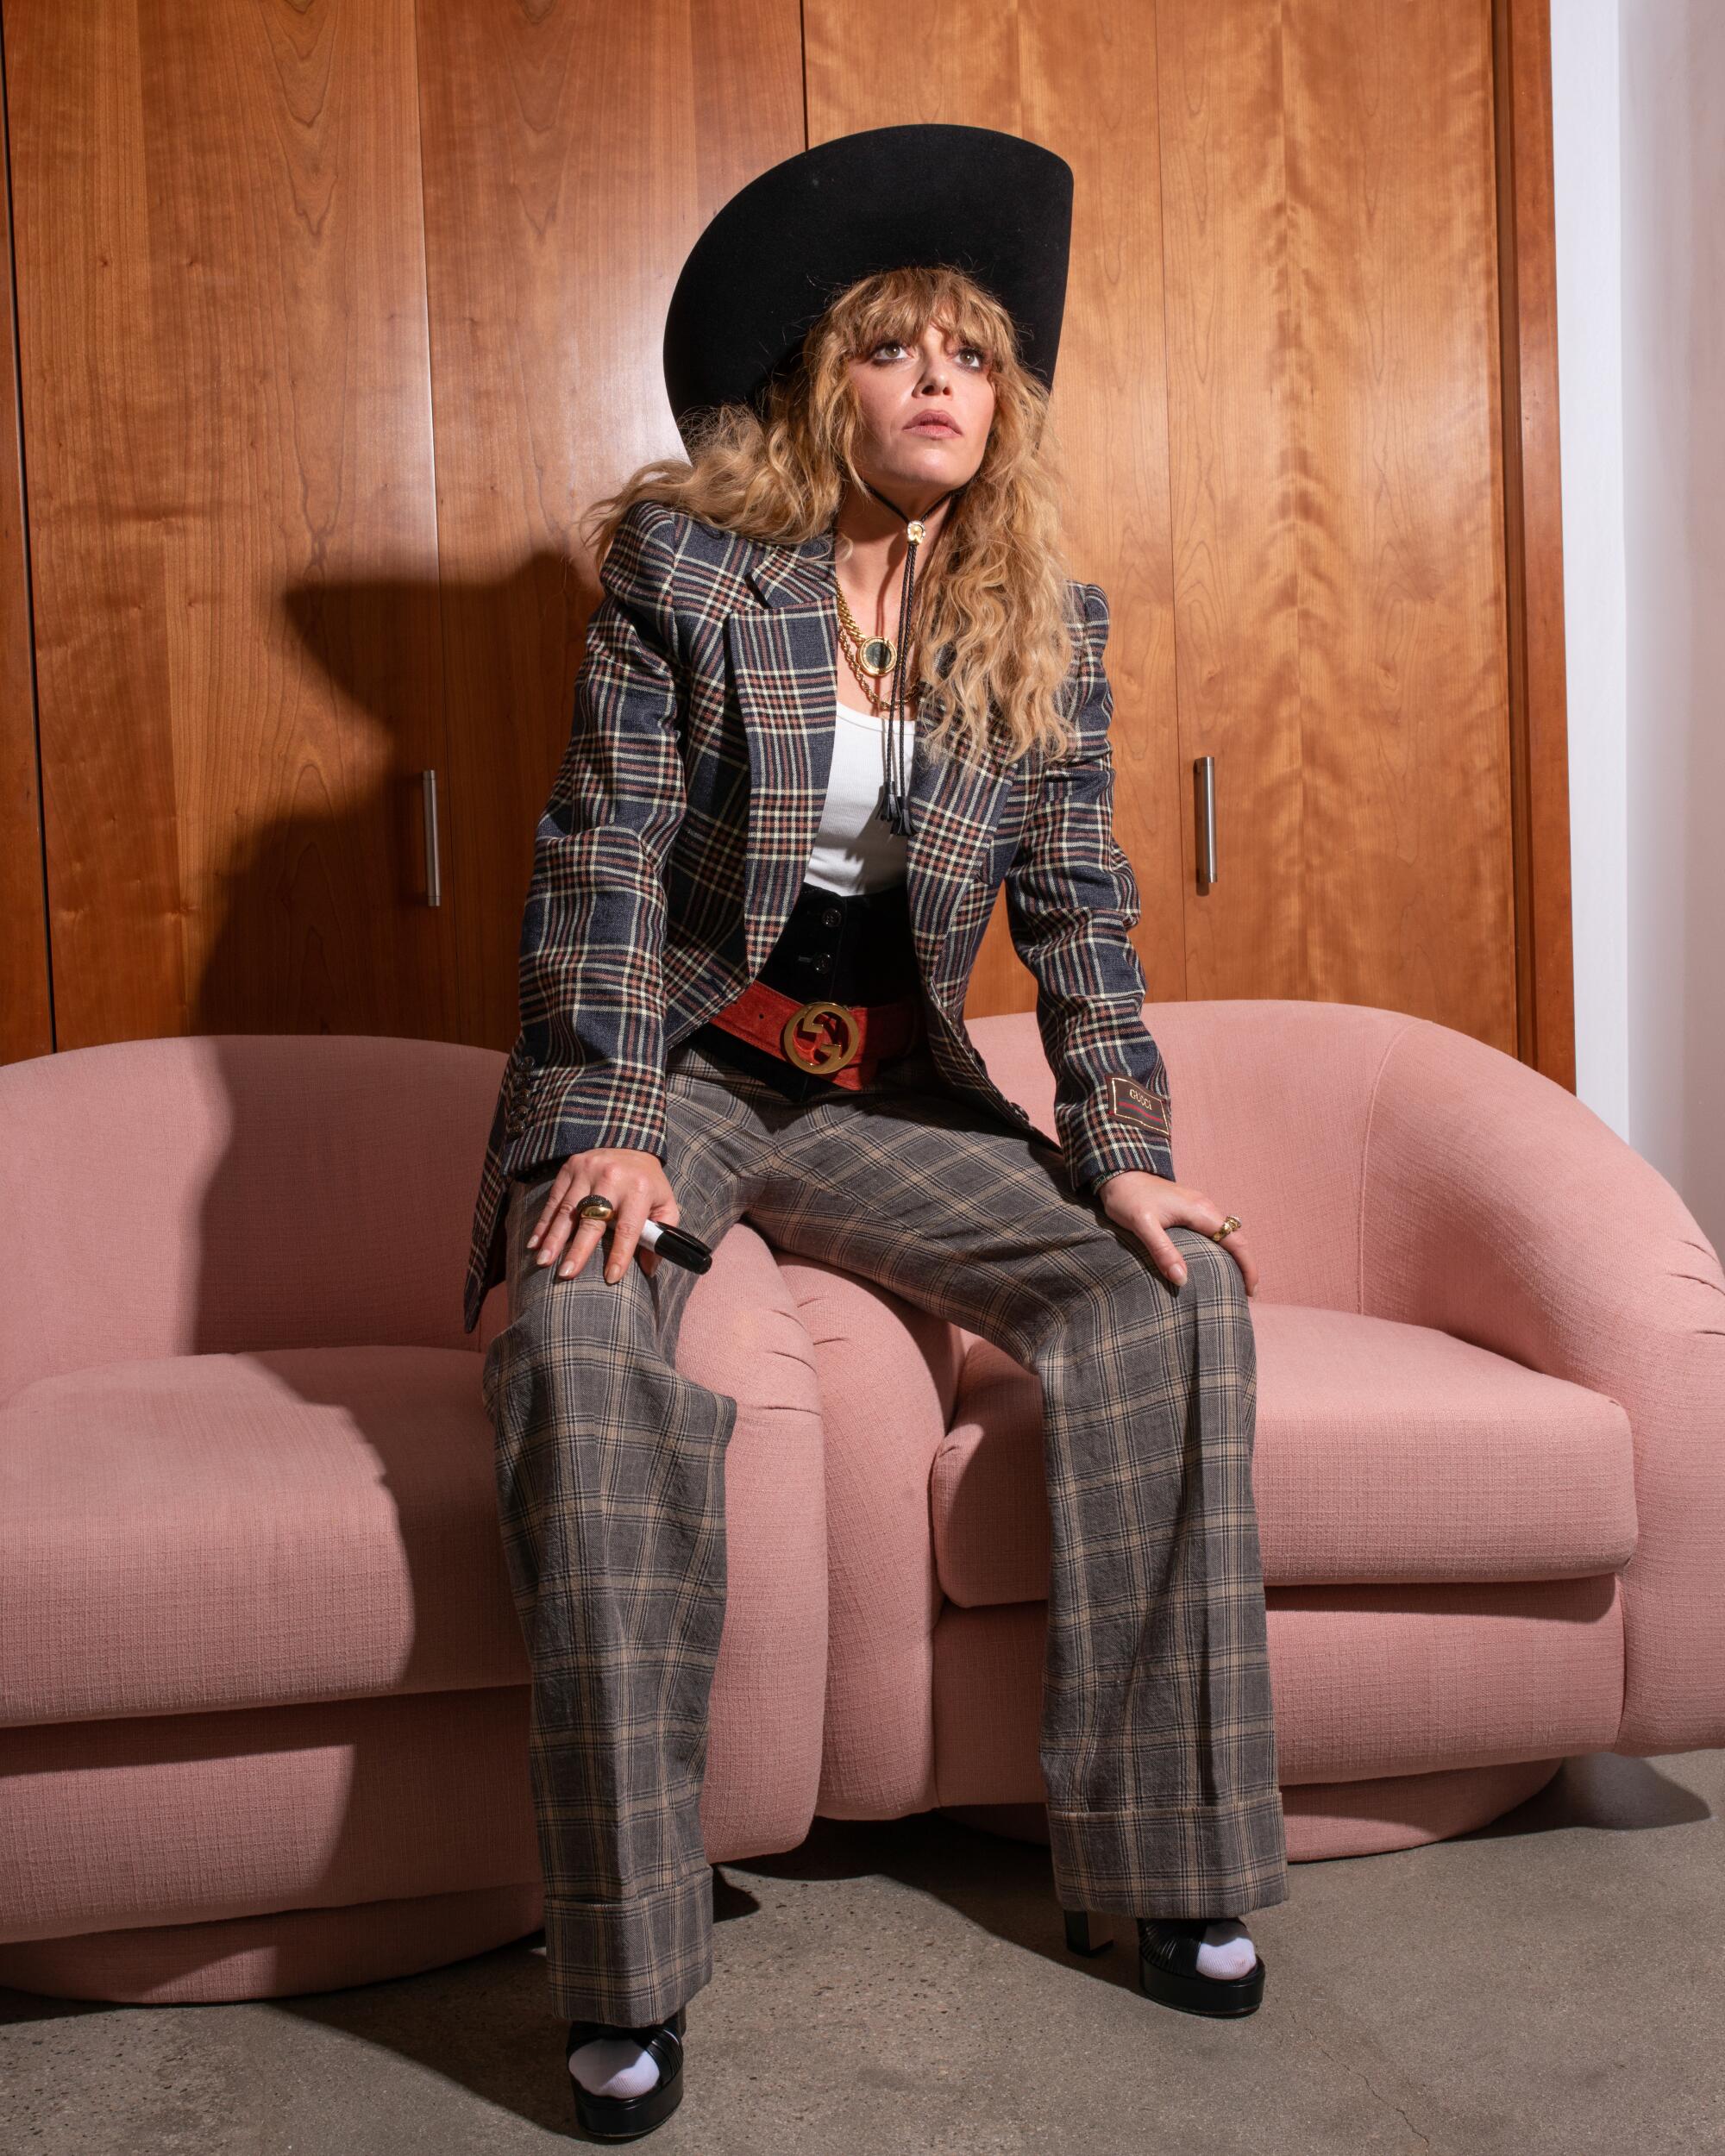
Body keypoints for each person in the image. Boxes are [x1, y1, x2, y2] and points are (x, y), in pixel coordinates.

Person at [470, 123, 1288, 2142]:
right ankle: (634, 1967)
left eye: (975, 357)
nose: (941, 379)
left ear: (1003, 407)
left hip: (887, 1087)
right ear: (825, 382)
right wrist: (601, 1120)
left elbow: (1077, 908)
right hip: (687, 1063)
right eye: (896, 346)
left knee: (1173, 1295)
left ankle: (1168, 1857)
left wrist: (1116, 1140)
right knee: (579, 1334)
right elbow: (603, 861)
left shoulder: (1038, 621)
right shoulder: (687, 569)